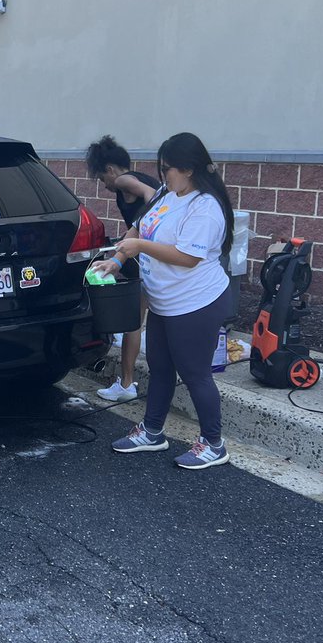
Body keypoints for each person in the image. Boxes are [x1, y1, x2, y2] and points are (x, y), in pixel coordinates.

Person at [89, 132, 235, 469]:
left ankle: (213, 443)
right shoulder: (168, 195)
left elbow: (187, 257)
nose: (163, 174)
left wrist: (138, 249)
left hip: (196, 303)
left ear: (189, 169)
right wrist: (117, 260)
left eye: (167, 168)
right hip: (164, 301)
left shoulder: (205, 207)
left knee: (196, 373)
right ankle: (152, 432)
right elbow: (138, 229)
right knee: (161, 367)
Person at [84, 135, 159, 402]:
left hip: (147, 256)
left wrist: (135, 234)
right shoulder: (136, 178)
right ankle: (128, 383)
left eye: (102, 179)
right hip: (148, 253)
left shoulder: (124, 180)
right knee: (138, 321)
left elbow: (154, 197)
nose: (105, 185)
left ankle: (127, 384)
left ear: (110, 170)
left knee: (132, 322)